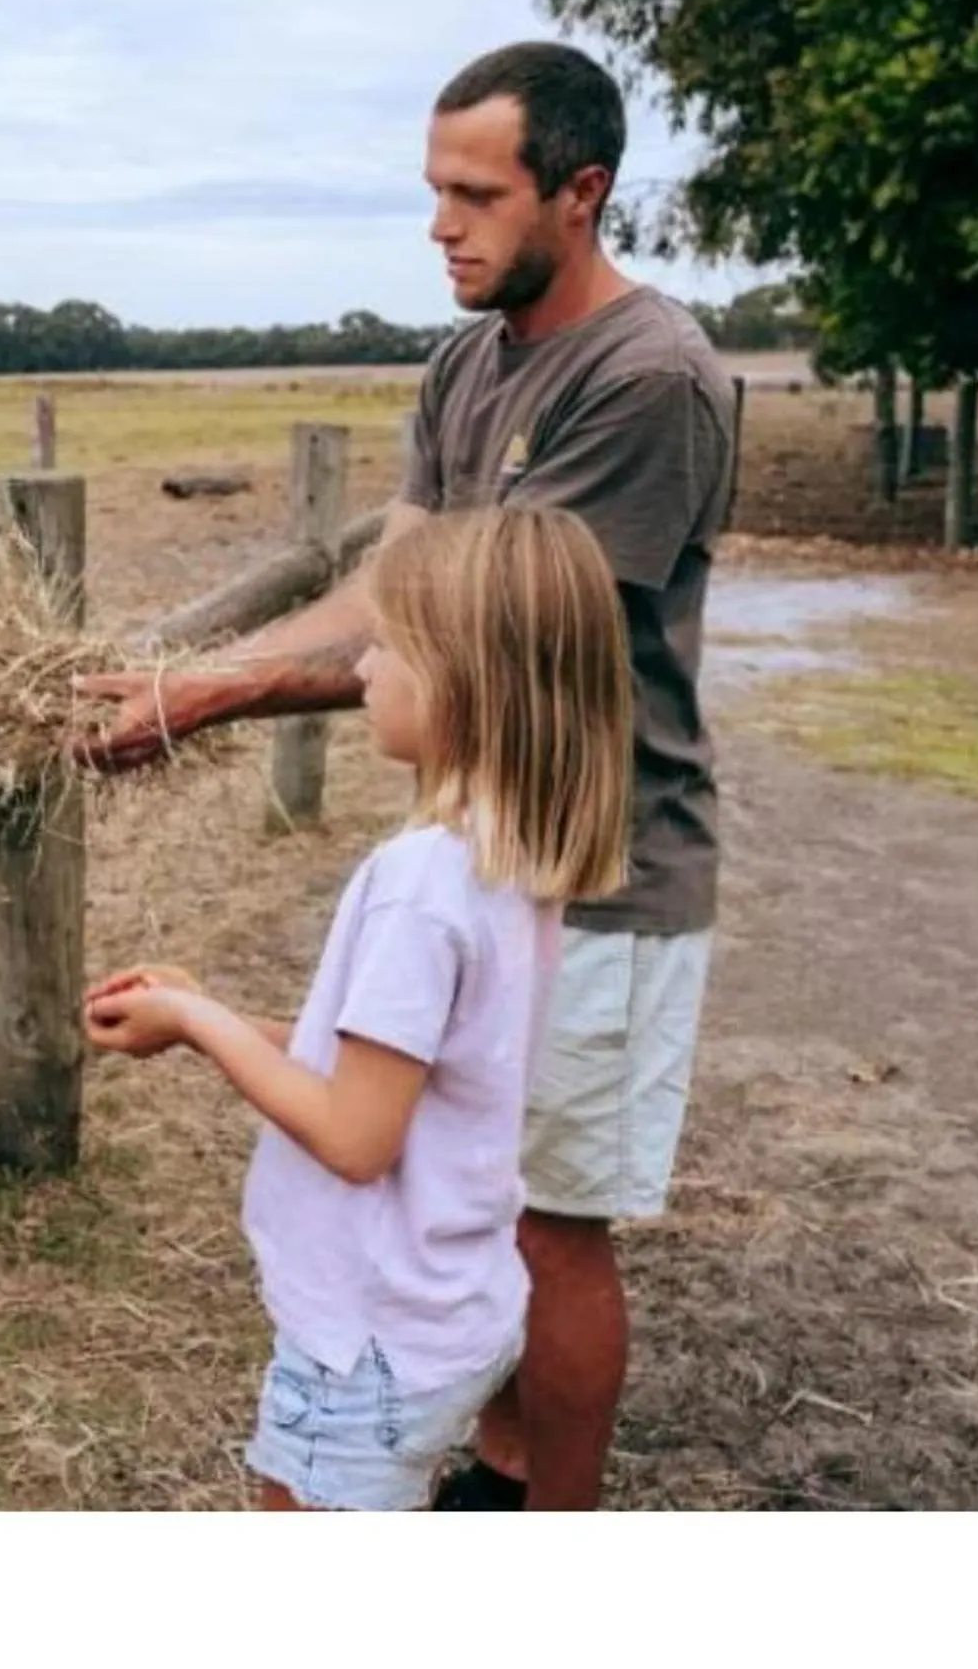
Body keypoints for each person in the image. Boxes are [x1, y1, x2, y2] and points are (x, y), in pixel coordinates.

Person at [77, 40, 737, 1510]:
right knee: (468, 1194)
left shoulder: (648, 379)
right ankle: (466, 1465)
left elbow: (467, 630)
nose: (439, 223)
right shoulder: (465, 360)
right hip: (493, 835)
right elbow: (392, 588)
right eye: (430, 188)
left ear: (581, 192)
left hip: (601, 865)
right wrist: (190, 675)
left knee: (552, 1222)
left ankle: (535, 1508)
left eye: (473, 192)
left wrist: (213, 692)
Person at [84, 506, 633, 1511]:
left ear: (463, 681)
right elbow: (398, 1075)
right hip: (452, 1306)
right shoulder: (509, 854)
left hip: (365, 1342)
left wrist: (200, 1030)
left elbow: (353, 1135)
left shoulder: (420, 882)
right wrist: (202, 1009)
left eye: (387, 647)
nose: (363, 672)